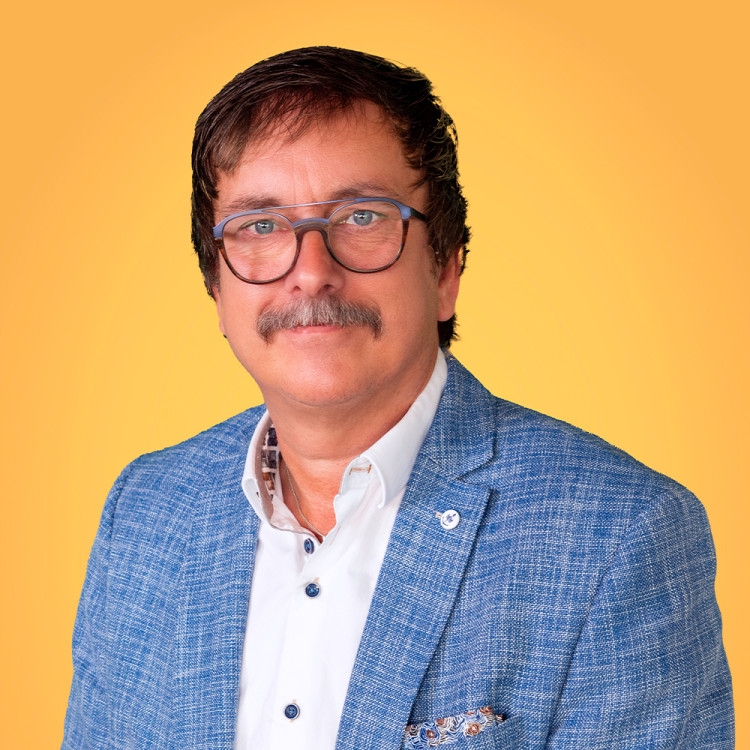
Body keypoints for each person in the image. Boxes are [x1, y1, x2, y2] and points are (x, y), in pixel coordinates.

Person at [63, 46, 733, 750]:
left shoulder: (620, 536)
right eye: (260, 225)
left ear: (445, 270)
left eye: (361, 217)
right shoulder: (143, 515)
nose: (311, 272)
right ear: (216, 287)